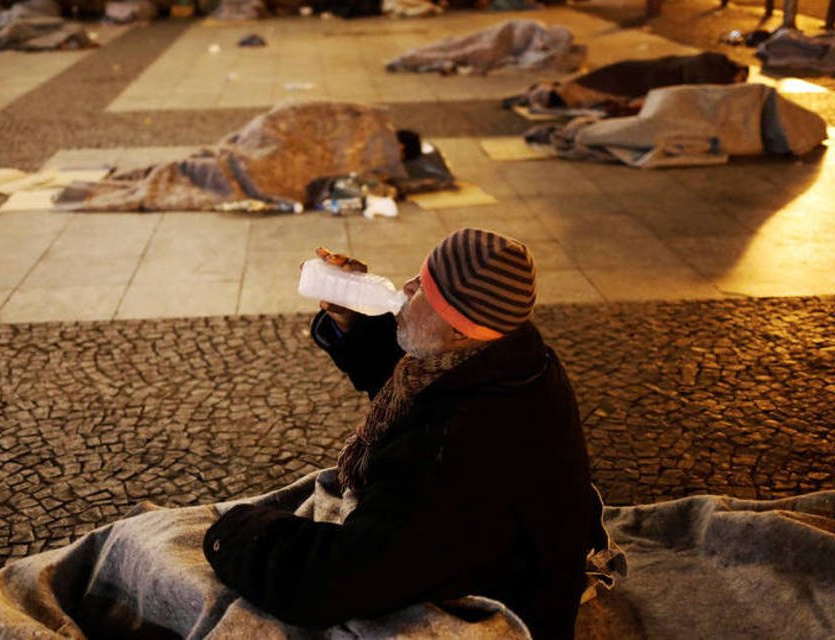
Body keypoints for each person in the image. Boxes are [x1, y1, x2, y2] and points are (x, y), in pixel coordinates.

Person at [204, 228, 605, 640]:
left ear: (462, 329)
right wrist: (352, 320)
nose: (407, 286)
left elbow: (330, 583)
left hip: (509, 613)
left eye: (423, 289)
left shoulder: (450, 451)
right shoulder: (511, 358)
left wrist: (228, 530)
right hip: (483, 553)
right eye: (419, 274)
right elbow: (409, 382)